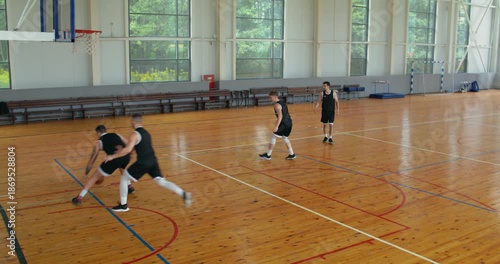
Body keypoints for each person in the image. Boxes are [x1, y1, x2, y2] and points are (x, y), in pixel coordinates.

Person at [104, 114, 192, 212]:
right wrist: (122, 150)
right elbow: (133, 148)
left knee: (124, 178)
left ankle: (123, 205)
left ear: (133, 122)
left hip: (143, 162)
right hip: (153, 161)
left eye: (131, 122)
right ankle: (183, 193)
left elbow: (128, 149)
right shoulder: (146, 133)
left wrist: (112, 156)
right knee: (161, 181)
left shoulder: (134, 134)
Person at [72, 125, 135, 205]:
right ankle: (129, 186)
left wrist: (86, 173)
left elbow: (92, 160)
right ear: (105, 130)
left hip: (113, 159)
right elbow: (129, 145)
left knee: (94, 177)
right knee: (122, 166)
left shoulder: (99, 142)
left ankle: (79, 197)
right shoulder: (117, 134)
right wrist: (130, 155)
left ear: (98, 133)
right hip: (126, 157)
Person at [259, 91, 296, 160]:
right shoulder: (283, 103)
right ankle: (292, 154)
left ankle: (268, 155)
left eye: (270, 97)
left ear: (275, 97)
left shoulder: (276, 105)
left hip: (284, 124)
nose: (270, 99)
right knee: (285, 138)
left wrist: (276, 126)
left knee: (273, 137)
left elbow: (280, 116)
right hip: (289, 123)